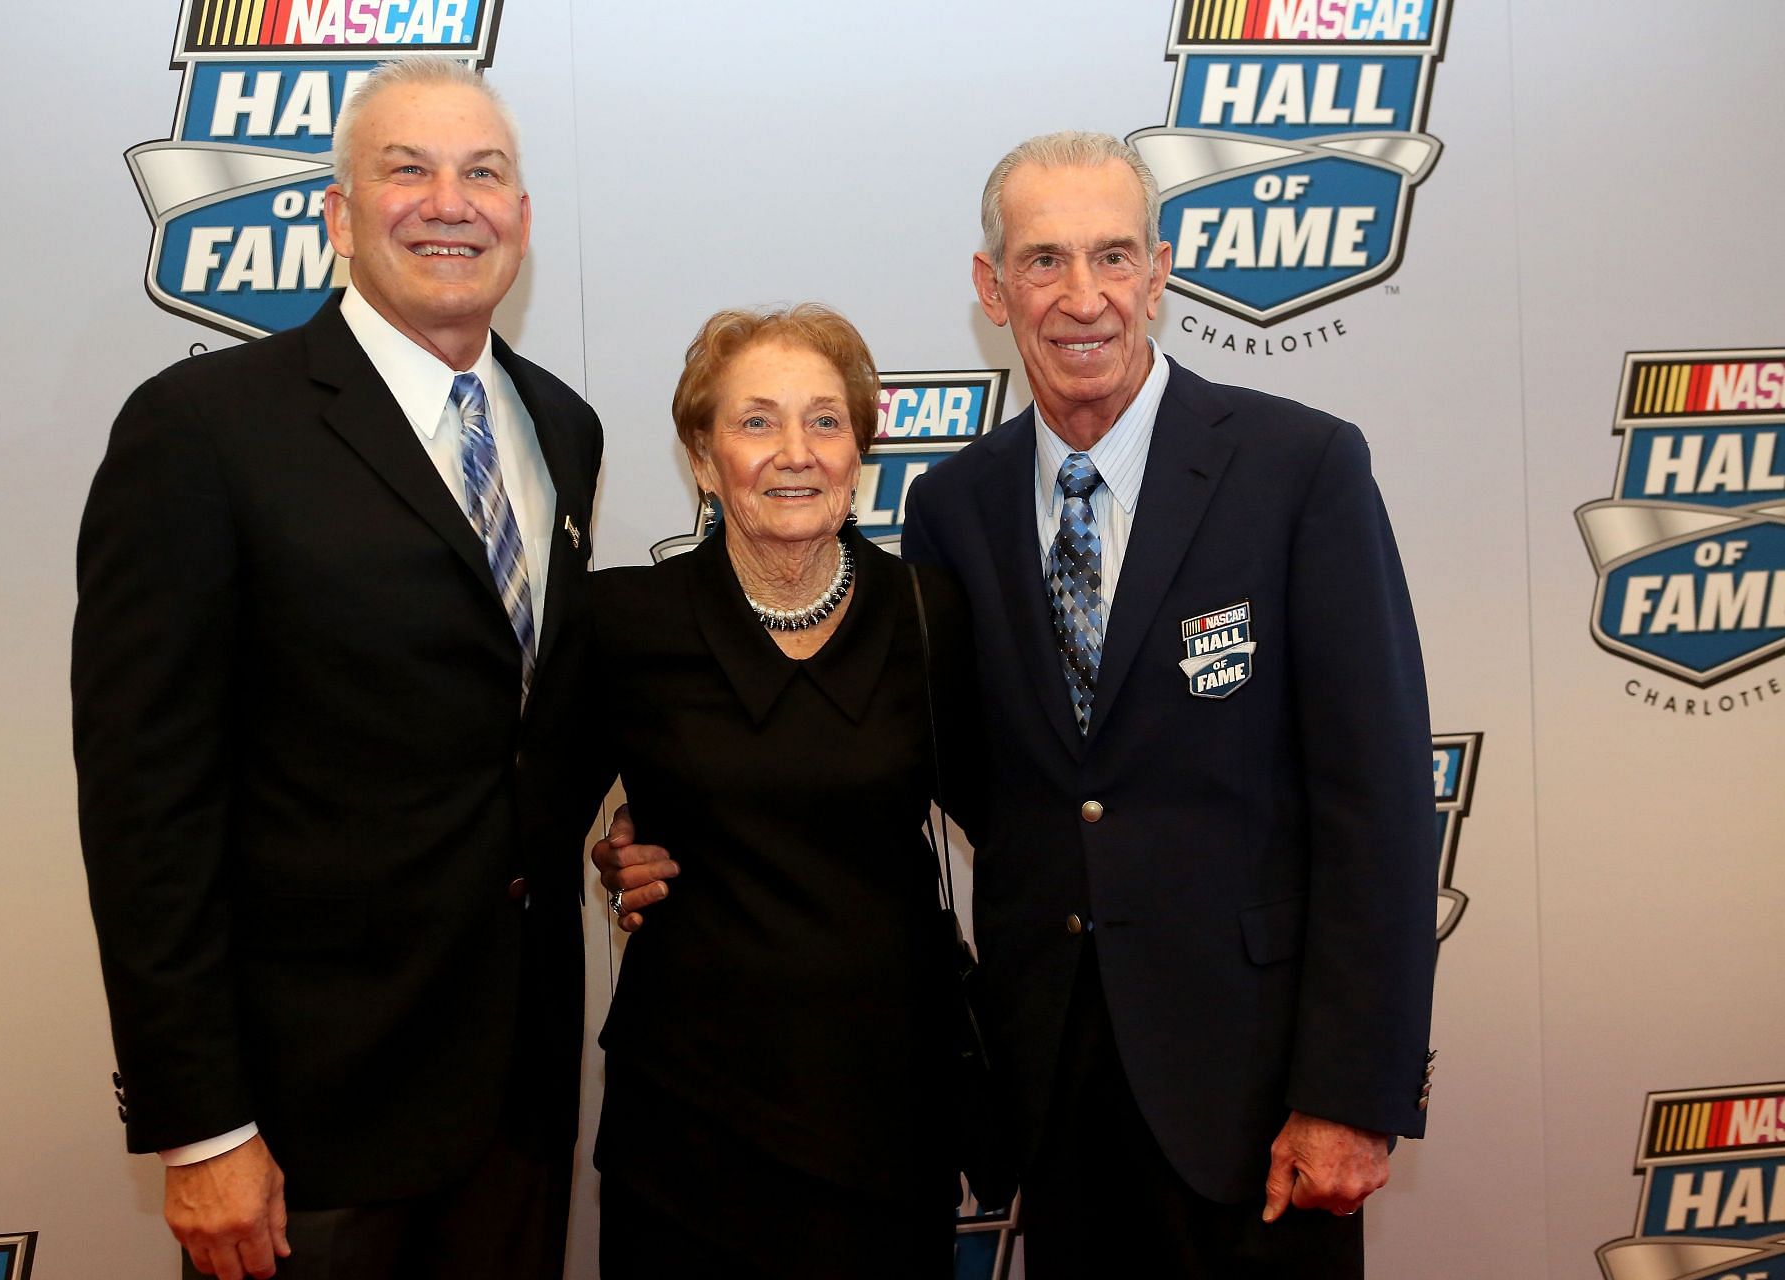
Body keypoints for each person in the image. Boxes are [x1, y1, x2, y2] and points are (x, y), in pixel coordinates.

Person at [599, 130, 1439, 1278]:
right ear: (994, 289)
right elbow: (932, 770)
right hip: (1048, 1088)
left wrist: (1351, 1088)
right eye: (1043, 260)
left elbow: (1380, 799)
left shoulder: (1300, 468)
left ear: (1163, 269)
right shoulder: (958, 505)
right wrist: (664, 840)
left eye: (1111, 256)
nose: (1080, 296)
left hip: (1254, 1095)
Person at [72, 57, 601, 1280]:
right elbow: (146, 803)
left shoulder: (561, 424)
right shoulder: (202, 430)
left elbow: (522, 716)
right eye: (405, 169)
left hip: (519, 1101)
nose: (448, 201)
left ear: (522, 217)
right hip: (306, 1122)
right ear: (338, 214)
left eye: (484, 173)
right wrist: (202, 1120)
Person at [582, 305, 983, 1279]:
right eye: (756, 421)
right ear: (704, 460)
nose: (794, 452)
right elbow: (515, 822)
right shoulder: (624, 619)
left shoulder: (931, 610)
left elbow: (1027, 821)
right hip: (685, 1130)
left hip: (888, 1121)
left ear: (860, 452)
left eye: (825, 420)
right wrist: (611, 853)